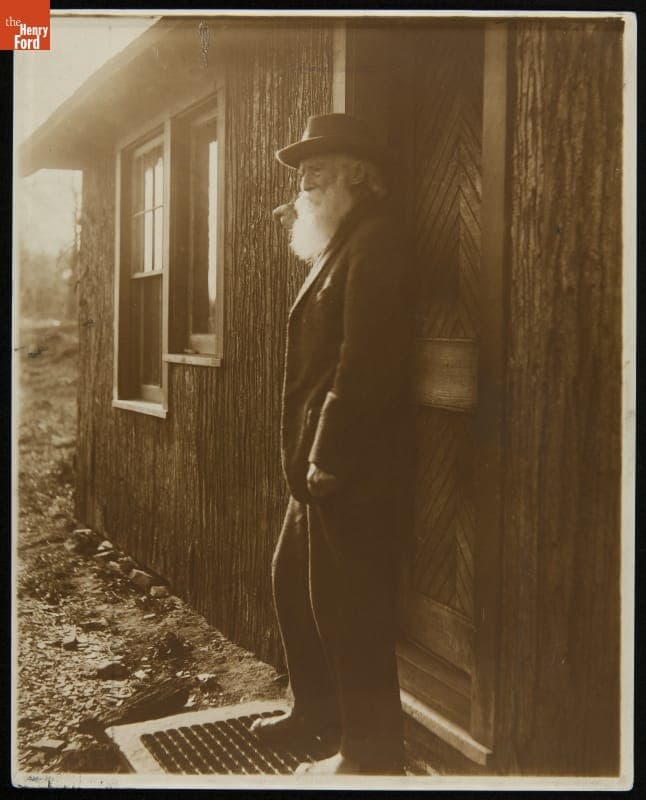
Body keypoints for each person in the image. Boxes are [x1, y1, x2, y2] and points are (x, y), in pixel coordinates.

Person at [251, 113, 413, 775]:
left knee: (352, 610)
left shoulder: (376, 241)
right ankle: (316, 707)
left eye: (318, 170)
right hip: (315, 462)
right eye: (302, 172)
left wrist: (327, 454)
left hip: (348, 464)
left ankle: (370, 758)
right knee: (293, 583)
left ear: (356, 174)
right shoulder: (339, 244)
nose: (304, 182)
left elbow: (365, 362)